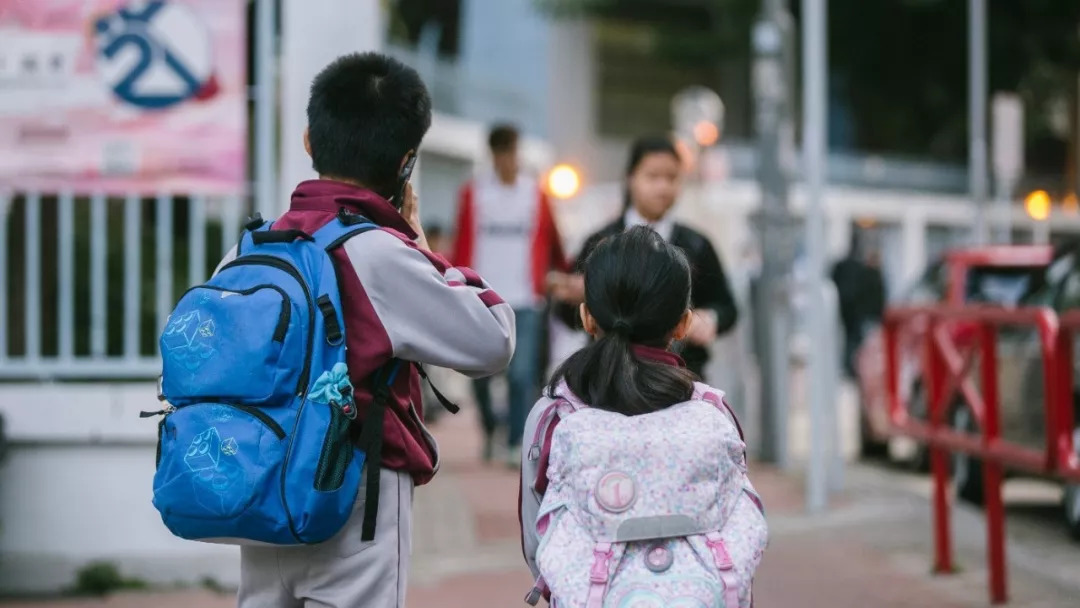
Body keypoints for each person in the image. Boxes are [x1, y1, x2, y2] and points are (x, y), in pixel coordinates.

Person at [228, 53, 516, 608]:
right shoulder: (380, 255)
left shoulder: (250, 247)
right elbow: (493, 339)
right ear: (407, 162)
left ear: (310, 141)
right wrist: (424, 247)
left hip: (260, 486)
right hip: (356, 495)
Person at [518, 227, 768, 606]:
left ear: (586, 317)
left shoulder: (555, 414)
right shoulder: (713, 412)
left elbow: (539, 540)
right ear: (683, 324)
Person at [549, 135, 738, 380]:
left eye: (671, 178)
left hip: (681, 375)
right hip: (611, 376)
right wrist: (577, 296)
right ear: (631, 179)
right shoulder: (601, 241)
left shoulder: (697, 244)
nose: (662, 187)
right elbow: (567, 316)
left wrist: (709, 319)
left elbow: (727, 307)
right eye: (652, 176)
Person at [451, 124, 568, 465]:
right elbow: (461, 240)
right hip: (482, 297)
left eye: (514, 152)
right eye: (504, 153)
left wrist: (560, 273)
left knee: (522, 374)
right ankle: (490, 429)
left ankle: (517, 441)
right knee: (480, 373)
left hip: (526, 299)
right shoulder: (474, 194)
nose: (510, 160)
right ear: (494, 155)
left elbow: (554, 240)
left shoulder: (536, 194)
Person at [831, 228, 886, 378]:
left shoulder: (848, 267)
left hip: (853, 312)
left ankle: (852, 368)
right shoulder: (864, 269)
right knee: (858, 343)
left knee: (854, 342)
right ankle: (853, 369)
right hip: (859, 313)